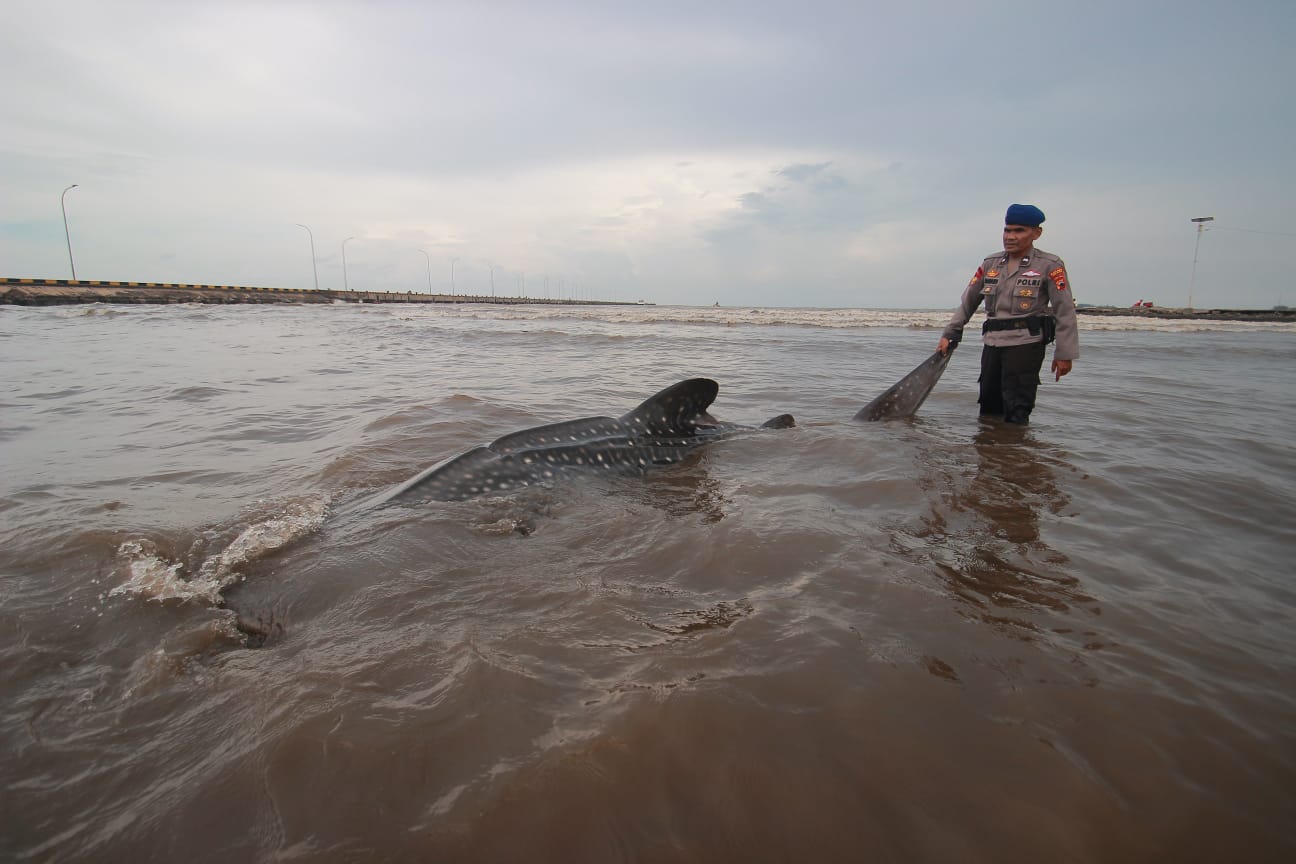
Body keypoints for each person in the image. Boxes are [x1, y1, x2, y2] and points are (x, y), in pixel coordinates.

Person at [937, 204, 1079, 424]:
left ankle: (1015, 451)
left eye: (1019, 231)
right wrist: (950, 333)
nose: (1010, 236)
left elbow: (1065, 311)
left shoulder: (1049, 265)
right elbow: (968, 301)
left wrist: (1064, 353)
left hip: (1025, 345)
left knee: (1017, 406)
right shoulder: (990, 264)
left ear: (1036, 233)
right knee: (988, 404)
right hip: (992, 344)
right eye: (1007, 230)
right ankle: (992, 452)